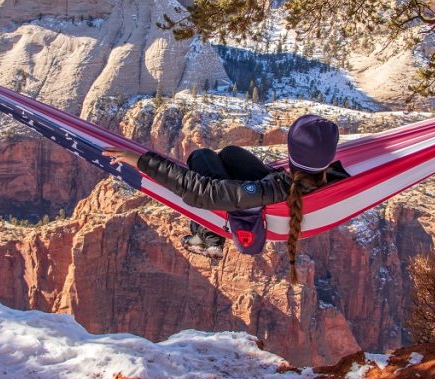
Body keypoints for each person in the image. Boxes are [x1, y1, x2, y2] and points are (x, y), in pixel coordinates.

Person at [103, 114, 347, 283]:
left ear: (291, 150)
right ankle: (208, 235)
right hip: (285, 191)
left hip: (253, 204)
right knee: (231, 154)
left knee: (201, 157)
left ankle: (208, 238)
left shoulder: (272, 189)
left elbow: (201, 191)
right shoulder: (337, 173)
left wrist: (141, 161)